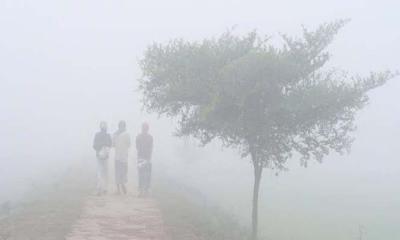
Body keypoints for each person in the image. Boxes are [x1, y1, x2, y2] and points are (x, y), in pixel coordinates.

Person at [93, 121, 112, 196]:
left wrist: (98, 149)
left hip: (99, 156)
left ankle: (99, 188)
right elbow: (110, 144)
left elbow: (94, 145)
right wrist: (105, 147)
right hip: (105, 156)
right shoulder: (108, 136)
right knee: (105, 173)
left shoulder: (97, 135)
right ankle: (104, 188)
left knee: (99, 172)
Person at [113, 120, 131, 195]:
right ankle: (122, 185)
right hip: (123, 157)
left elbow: (113, 144)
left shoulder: (115, 134)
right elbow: (129, 144)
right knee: (123, 172)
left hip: (118, 157)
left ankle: (118, 189)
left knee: (118, 173)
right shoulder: (127, 134)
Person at [136, 122, 153, 196]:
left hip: (141, 157)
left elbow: (137, 147)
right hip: (147, 158)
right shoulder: (150, 137)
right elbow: (151, 147)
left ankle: (141, 191)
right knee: (147, 174)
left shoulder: (138, 137)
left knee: (141, 174)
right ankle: (145, 190)